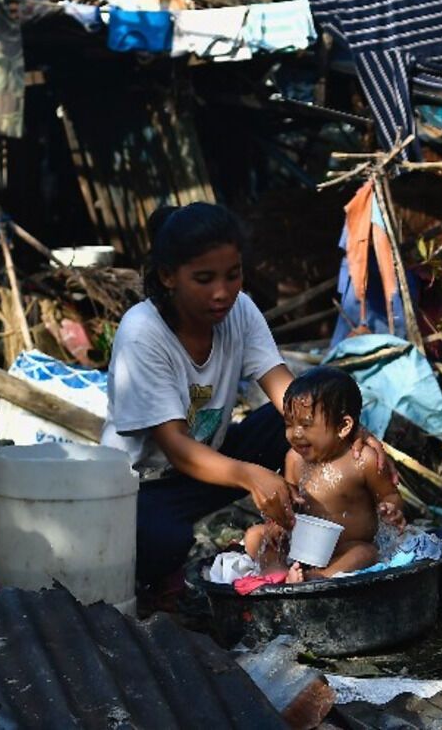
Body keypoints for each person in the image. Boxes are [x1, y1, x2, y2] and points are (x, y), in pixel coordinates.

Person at [104, 203, 300, 606]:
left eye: (233, 275)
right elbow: (176, 447)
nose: (223, 292)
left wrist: (346, 436)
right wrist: (252, 477)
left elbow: (285, 390)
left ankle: (297, 535)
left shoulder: (240, 310)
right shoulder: (142, 332)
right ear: (168, 277)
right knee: (163, 540)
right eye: (204, 279)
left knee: (305, 419)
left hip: (207, 466)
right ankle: (161, 589)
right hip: (142, 487)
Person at [244, 367, 405, 582]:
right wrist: (278, 524)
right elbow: (289, 502)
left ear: (344, 426)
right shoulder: (294, 459)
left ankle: (318, 577)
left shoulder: (363, 460)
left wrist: (391, 509)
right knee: (255, 535)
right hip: (302, 545)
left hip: (346, 548)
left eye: (306, 425)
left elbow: (389, 494)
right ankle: (276, 574)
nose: (295, 434)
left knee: (366, 553)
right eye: (289, 424)